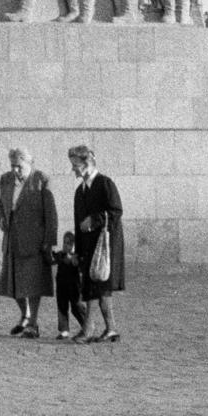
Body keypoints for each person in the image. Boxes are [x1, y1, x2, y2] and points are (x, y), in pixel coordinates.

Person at [0, 148, 58, 338]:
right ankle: (25, 315)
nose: (15, 170)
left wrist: (50, 241)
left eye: (19, 166)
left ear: (30, 164)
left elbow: (51, 213)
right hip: (12, 240)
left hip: (34, 241)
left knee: (33, 284)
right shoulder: (6, 179)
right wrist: (1, 218)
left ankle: (33, 324)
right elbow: (1, 205)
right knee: (11, 283)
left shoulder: (40, 180)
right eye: (13, 165)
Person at [68, 144, 124, 343]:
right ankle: (111, 329)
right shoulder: (79, 191)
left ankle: (88, 329)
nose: (73, 169)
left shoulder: (104, 183)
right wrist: (77, 252)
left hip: (105, 247)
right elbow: (78, 224)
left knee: (95, 286)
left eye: (75, 164)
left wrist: (94, 220)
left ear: (87, 163)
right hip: (88, 247)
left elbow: (116, 211)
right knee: (99, 287)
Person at [54, 230, 86, 340]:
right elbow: (53, 258)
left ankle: (86, 324)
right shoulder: (60, 255)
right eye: (65, 243)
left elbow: (78, 265)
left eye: (69, 243)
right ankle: (64, 330)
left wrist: (73, 259)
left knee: (76, 307)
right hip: (61, 286)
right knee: (62, 306)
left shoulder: (75, 257)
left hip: (74, 287)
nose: (66, 246)